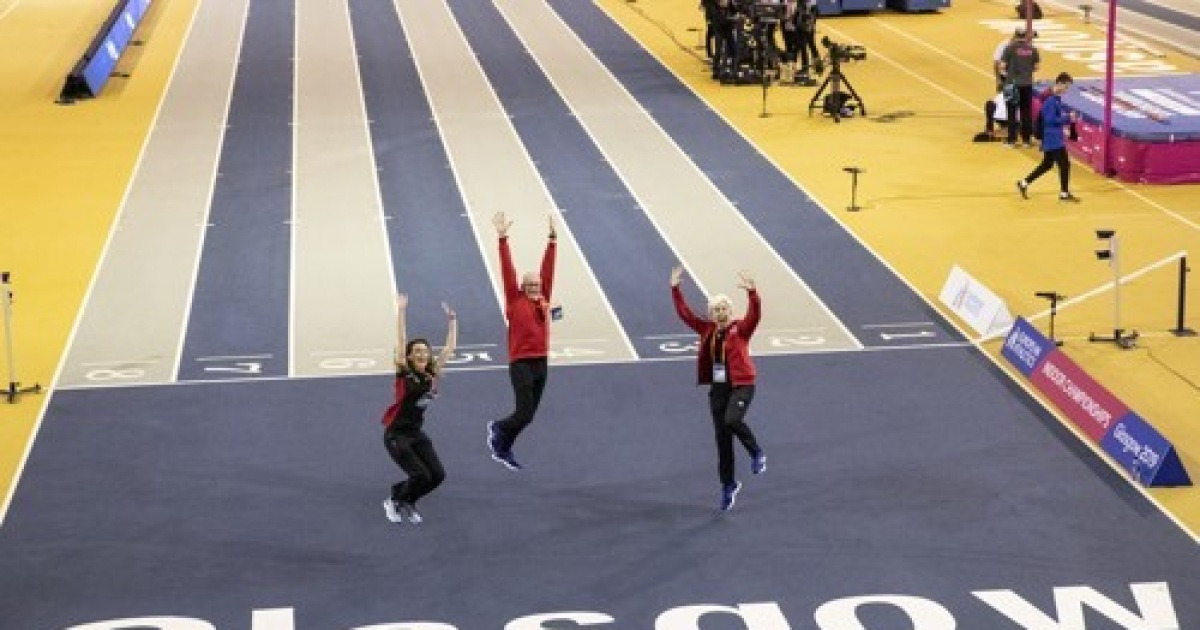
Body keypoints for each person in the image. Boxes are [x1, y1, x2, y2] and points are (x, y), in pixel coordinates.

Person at [670, 265, 767, 512]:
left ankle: (756, 452)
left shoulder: (740, 330)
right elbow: (685, 315)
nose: (720, 313)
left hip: (742, 384)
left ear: (730, 311)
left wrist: (752, 293)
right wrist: (675, 289)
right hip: (719, 389)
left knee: (733, 420)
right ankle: (728, 485)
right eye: (716, 310)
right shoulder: (707, 330)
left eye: (724, 309)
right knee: (722, 440)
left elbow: (754, 316)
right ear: (712, 313)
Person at [487, 212, 557, 470]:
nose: (536, 288)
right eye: (530, 285)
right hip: (521, 363)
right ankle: (498, 428)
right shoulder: (515, 301)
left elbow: (548, 269)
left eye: (538, 284)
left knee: (528, 417)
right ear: (522, 287)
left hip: (542, 362)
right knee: (523, 413)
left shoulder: (544, 297)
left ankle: (503, 448)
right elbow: (508, 270)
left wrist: (552, 240)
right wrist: (503, 238)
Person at [381, 295, 458, 525]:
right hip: (396, 434)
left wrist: (452, 321)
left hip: (415, 433)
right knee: (420, 475)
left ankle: (408, 500)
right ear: (410, 356)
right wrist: (401, 311)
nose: (422, 354)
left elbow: (450, 348)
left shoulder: (431, 372)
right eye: (417, 351)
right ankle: (394, 499)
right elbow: (401, 338)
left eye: (425, 351)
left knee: (438, 476)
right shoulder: (404, 372)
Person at [1017, 72, 1081, 202]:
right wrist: (1068, 117)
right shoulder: (1051, 101)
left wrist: (1068, 120)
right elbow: (1050, 119)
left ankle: (1024, 183)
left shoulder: (1055, 99)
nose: (1066, 90)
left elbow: (1055, 118)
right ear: (1060, 84)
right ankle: (1064, 194)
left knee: (1047, 164)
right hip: (1053, 138)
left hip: (1053, 137)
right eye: (1066, 86)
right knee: (1064, 164)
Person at [999, 28, 1040, 147]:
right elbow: (1036, 67)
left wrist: (1007, 76)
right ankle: (1026, 140)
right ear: (1025, 36)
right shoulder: (1032, 49)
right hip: (1027, 84)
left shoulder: (1010, 48)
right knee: (1026, 112)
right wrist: (1026, 72)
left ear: (1015, 35)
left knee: (1011, 112)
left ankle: (1012, 140)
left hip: (1011, 85)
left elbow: (1002, 66)